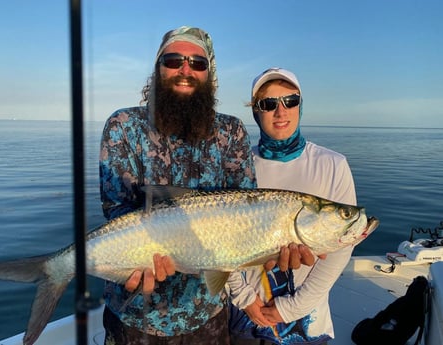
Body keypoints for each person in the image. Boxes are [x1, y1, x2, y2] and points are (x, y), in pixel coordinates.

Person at [98, 26, 257, 345]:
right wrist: (135, 256)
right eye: (174, 60)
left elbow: (247, 216)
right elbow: (118, 210)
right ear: (157, 68)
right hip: (134, 316)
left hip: (207, 316)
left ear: (209, 74)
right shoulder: (124, 126)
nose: (185, 70)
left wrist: (277, 242)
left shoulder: (231, 132)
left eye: (198, 63)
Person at [227, 67, 357, 345]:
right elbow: (219, 242)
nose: (281, 111)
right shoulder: (238, 169)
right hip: (245, 317)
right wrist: (245, 299)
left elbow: (341, 248)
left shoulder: (332, 164)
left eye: (290, 101)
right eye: (269, 104)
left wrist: (292, 307)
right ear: (256, 112)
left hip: (309, 322)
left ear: (301, 104)